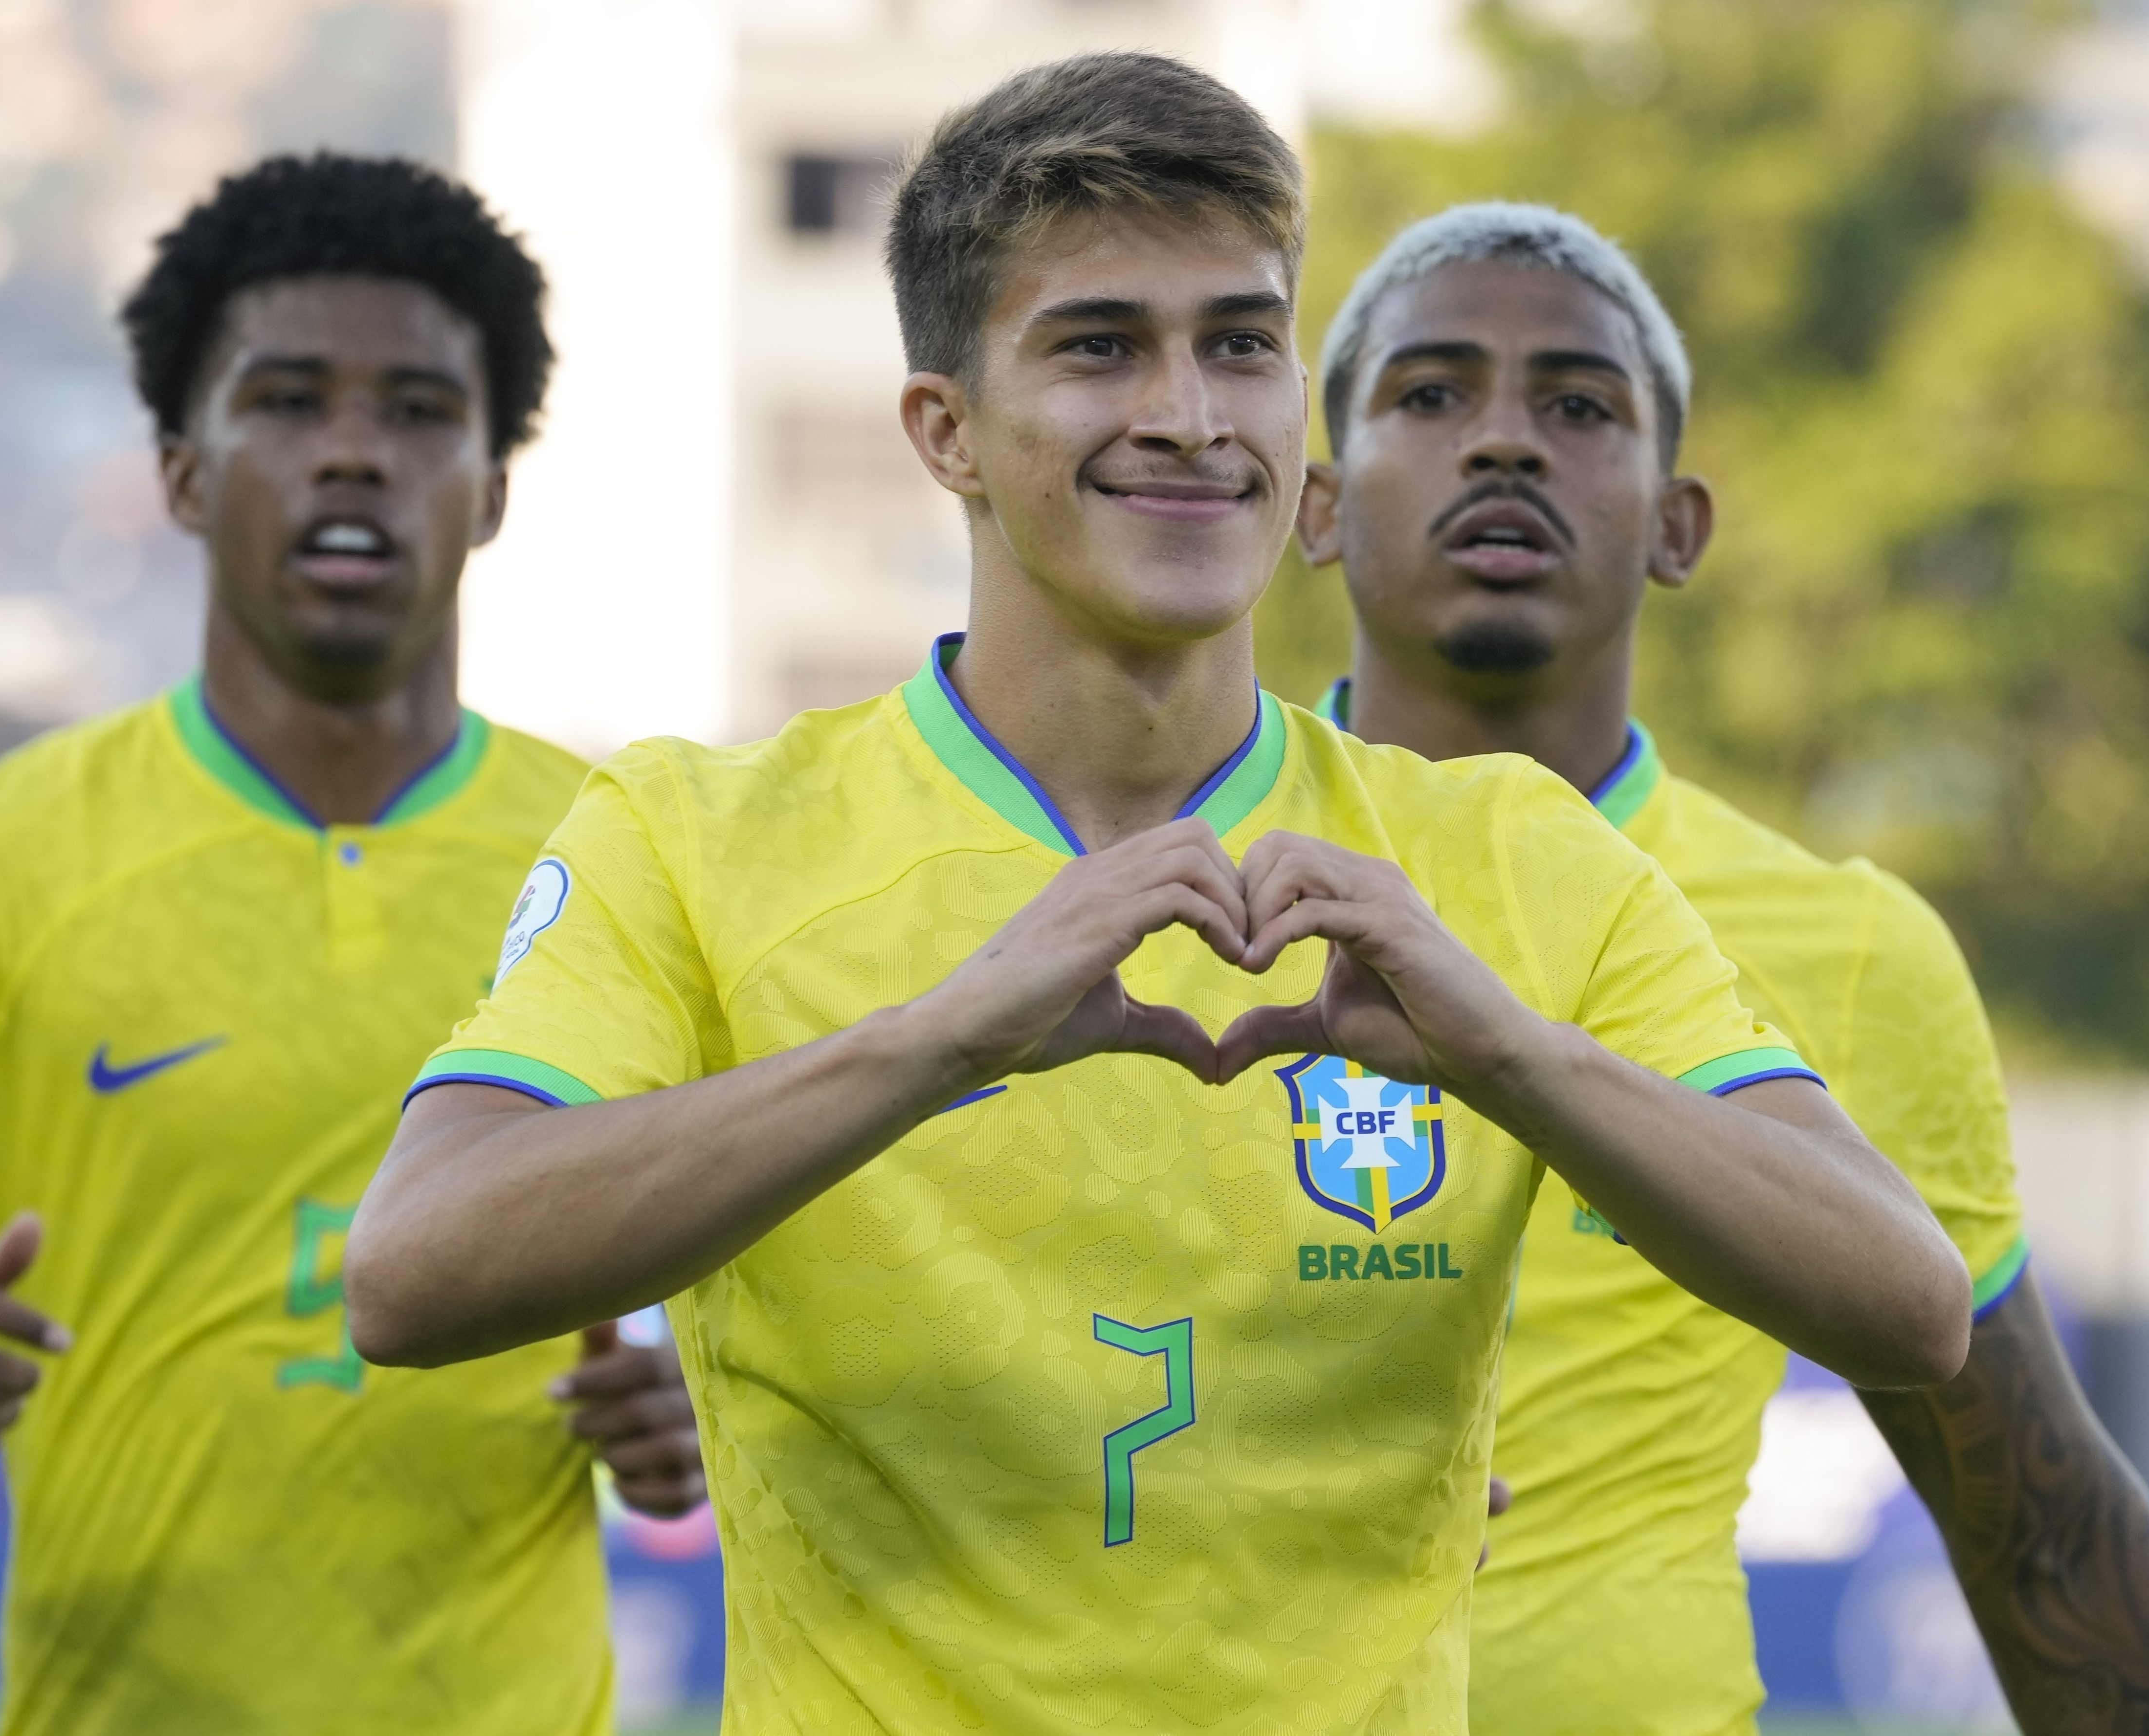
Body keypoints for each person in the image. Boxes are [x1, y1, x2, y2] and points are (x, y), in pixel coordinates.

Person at [345, 54, 1969, 1736]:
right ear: (945, 431)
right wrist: (935, 1043)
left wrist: (1510, 1056)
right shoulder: (692, 832)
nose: (1191, 413)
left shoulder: (1510, 856)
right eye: (1102, 345)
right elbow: (413, 1271)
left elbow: (1910, 1306)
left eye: (1243, 344)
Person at [0, 153, 702, 1734]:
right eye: (286, 400)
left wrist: (712, 1405)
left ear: (490, 486)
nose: (354, 454)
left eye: (418, 410)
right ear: (185, 470)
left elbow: (825, 1317)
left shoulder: (626, 856)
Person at [1294, 202, 2149, 1734]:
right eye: (1431, 393)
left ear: (1677, 523)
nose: (1505, 442)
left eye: (1581, 406)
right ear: (1318, 504)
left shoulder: (1848, 948)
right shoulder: (1178, 885)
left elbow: (2036, 1522)